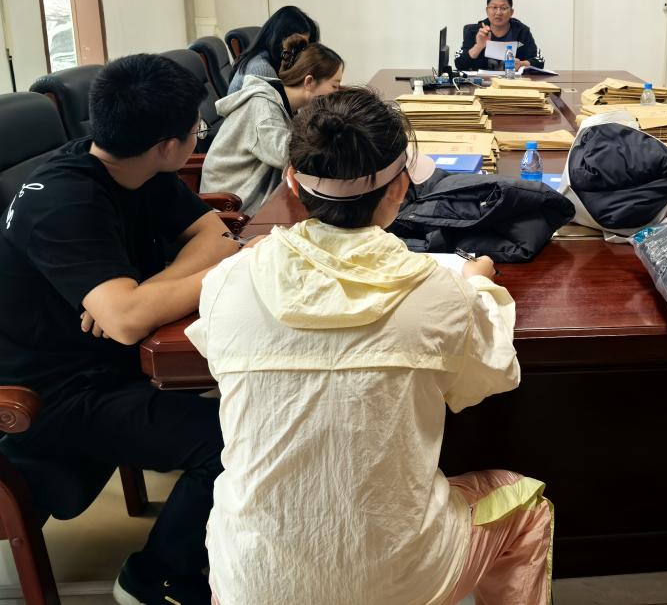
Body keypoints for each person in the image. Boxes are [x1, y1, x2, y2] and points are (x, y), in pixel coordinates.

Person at [187, 87, 554, 605]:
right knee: (527, 508)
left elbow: (217, 354)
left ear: (291, 180)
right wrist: (480, 288)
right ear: (400, 188)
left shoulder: (230, 281)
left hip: (251, 581)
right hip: (398, 581)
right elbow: (489, 379)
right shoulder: (438, 290)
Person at [0, 54, 240, 605]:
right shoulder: (63, 199)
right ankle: (155, 578)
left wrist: (143, 293)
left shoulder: (134, 168)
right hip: (52, 397)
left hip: (102, 363)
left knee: (257, 397)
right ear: (169, 146)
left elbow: (214, 235)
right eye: (196, 131)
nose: (197, 136)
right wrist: (215, 273)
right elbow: (129, 322)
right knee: (235, 437)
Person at [201, 35, 344, 214]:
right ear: (309, 82)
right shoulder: (264, 109)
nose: (336, 93)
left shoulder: (285, 103)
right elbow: (292, 156)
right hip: (231, 204)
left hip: (252, 192)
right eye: (335, 86)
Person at [227, 4, 320, 94]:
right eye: (300, 46)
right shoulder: (263, 70)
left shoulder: (266, 60)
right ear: (280, 38)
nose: (302, 53)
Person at [455, 0, 544, 72]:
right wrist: (478, 46)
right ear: (487, 10)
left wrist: (521, 64)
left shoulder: (522, 31)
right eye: (494, 7)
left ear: (511, 12)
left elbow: (539, 61)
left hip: (512, 81)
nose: (498, 12)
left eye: (503, 8)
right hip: (481, 82)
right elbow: (459, 63)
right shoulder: (475, 31)